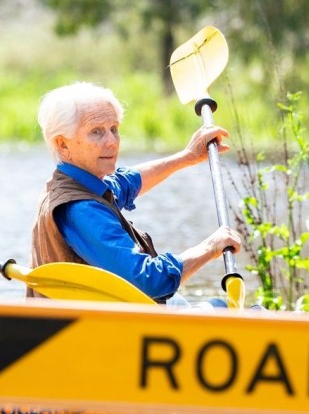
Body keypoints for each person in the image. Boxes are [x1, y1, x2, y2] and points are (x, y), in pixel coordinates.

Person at [29, 81, 243, 305]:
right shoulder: (81, 208)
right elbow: (148, 281)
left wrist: (188, 156)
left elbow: (128, 181)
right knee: (225, 309)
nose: (112, 142)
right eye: (96, 132)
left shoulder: (75, 182)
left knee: (198, 304)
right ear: (63, 145)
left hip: (113, 322)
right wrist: (211, 246)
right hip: (102, 333)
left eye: (114, 129)